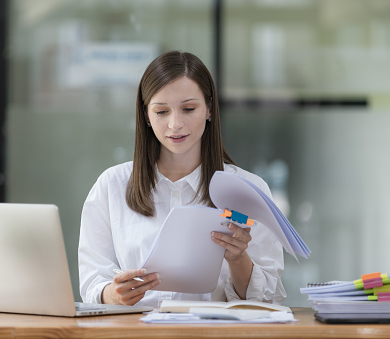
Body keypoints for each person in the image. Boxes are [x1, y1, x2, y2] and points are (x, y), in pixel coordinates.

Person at [78, 50, 286, 308]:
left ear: (209, 109)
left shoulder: (248, 190)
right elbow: (92, 281)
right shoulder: (112, 185)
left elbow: (267, 299)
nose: (175, 124)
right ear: (146, 115)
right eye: (162, 112)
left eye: (188, 109)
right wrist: (114, 294)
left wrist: (238, 258)